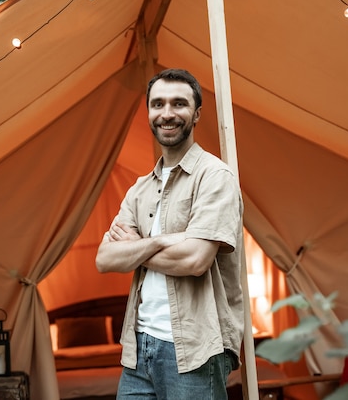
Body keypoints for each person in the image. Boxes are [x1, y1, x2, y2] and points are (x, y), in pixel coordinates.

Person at [95, 68, 245, 399]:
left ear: (196, 113)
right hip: (139, 347)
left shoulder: (215, 177)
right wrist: (165, 240)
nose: (167, 113)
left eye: (179, 104)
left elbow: (195, 260)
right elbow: (105, 258)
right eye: (158, 104)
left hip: (195, 348)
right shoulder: (139, 189)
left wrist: (136, 248)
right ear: (148, 112)